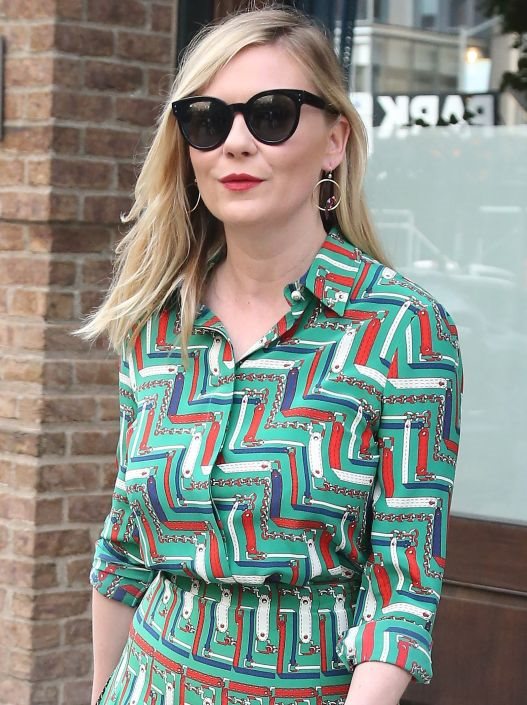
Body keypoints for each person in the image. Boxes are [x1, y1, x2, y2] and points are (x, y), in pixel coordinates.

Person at [81, 6, 463, 705]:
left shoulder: (402, 331)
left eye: (271, 115)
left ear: (333, 140)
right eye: (207, 120)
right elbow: (123, 554)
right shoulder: (157, 322)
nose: (235, 143)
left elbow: (402, 593)